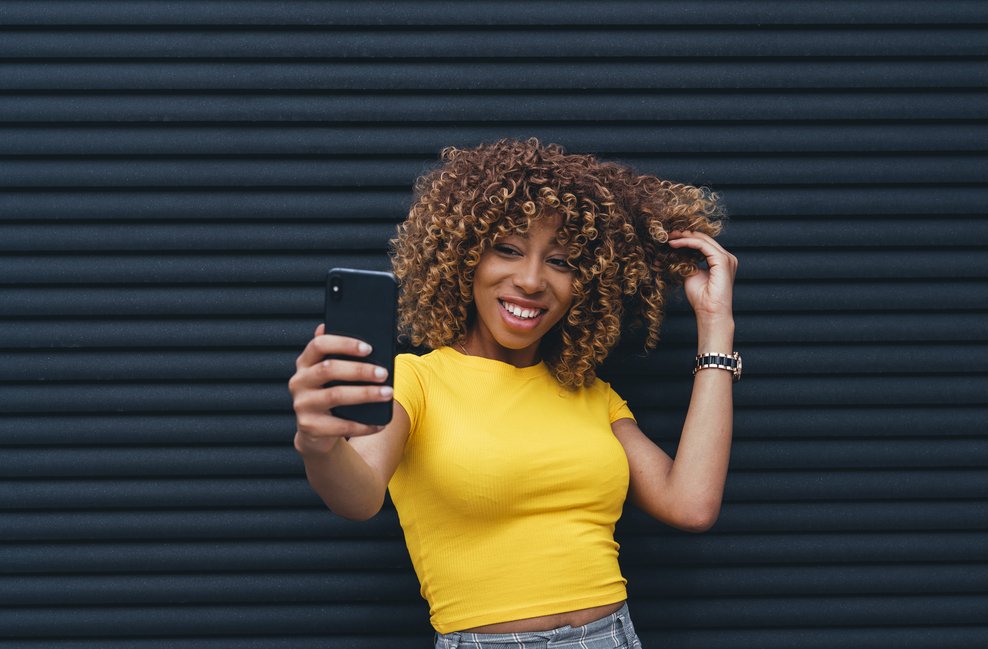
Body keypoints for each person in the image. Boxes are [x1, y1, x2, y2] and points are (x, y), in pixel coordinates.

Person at [288, 137, 737, 648]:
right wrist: (317, 443)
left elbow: (691, 505)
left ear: (586, 283)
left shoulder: (590, 394)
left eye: (562, 262)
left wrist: (715, 322)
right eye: (507, 249)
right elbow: (359, 497)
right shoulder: (417, 379)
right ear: (465, 258)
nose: (530, 280)